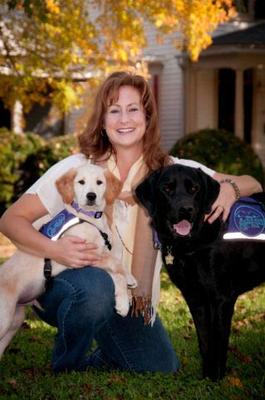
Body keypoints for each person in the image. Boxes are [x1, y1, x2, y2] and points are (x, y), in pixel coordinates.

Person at [0, 71, 262, 374]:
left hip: (128, 292)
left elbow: (252, 182)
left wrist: (231, 188)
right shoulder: (79, 169)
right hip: (66, 283)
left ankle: (104, 353)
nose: (124, 119)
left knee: (160, 366)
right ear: (102, 119)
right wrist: (55, 250)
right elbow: (10, 220)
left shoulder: (170, 171)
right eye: (114, 110)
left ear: (147, 116)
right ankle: (66, 362)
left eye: (133, 109)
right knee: (95, 288)